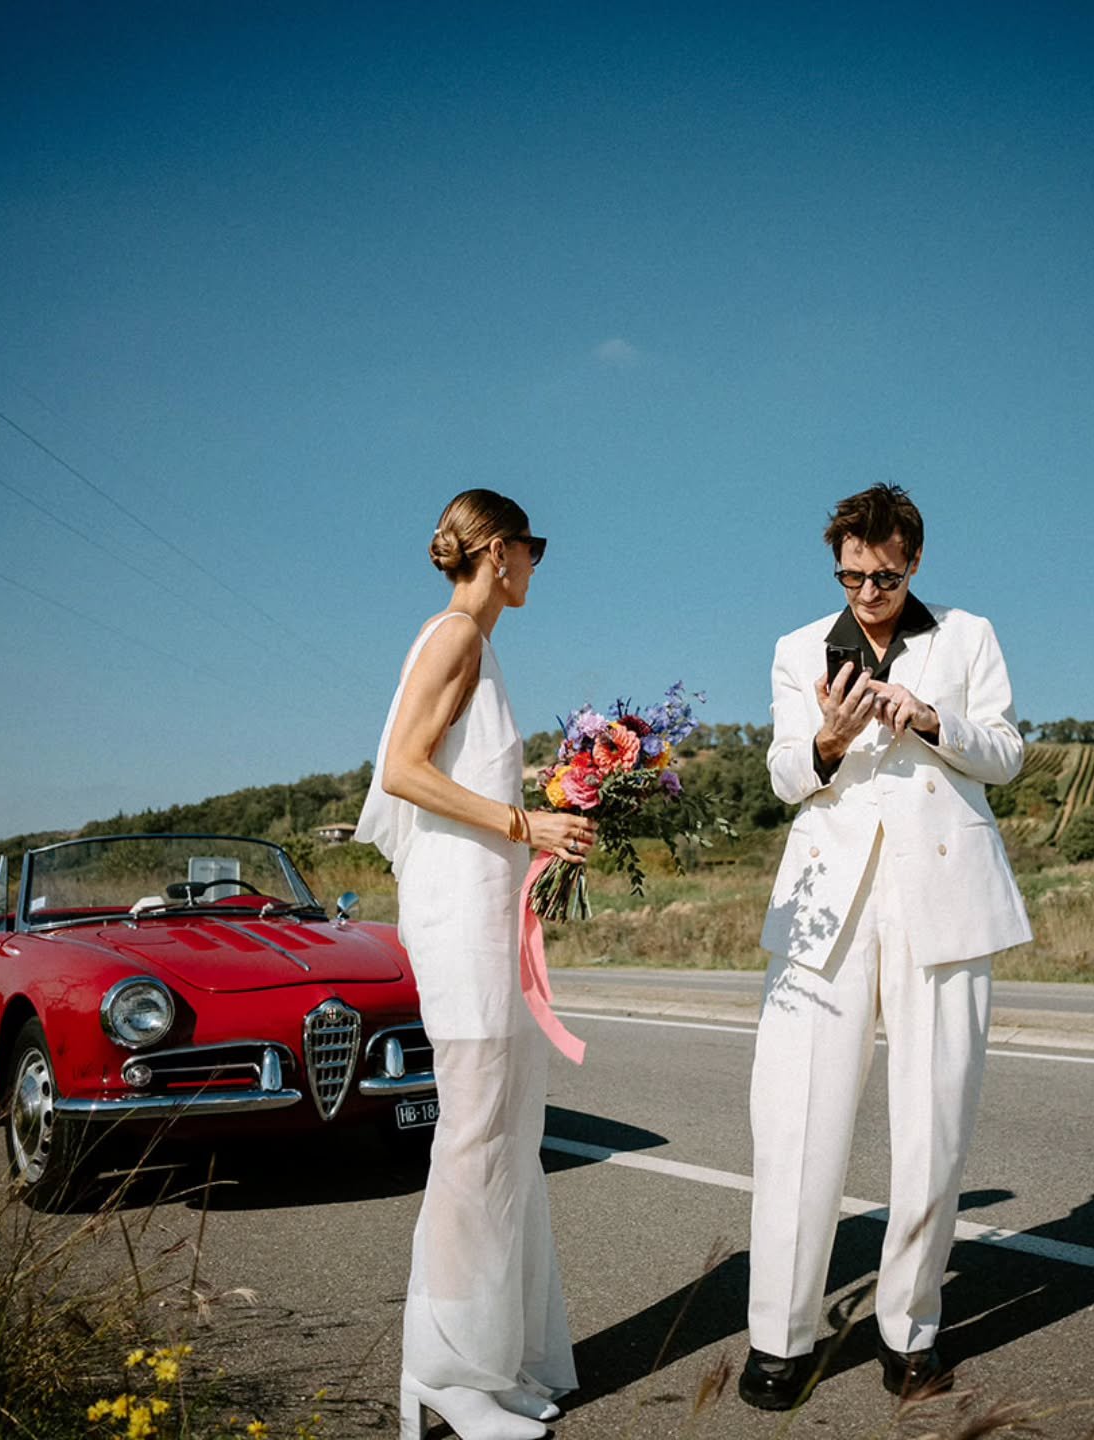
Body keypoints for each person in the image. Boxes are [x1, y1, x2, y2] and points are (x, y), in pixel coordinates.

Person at [739, 483, 1032, 1411]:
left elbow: (1008, 752)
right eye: (852, 576)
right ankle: (780, 1338)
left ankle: (911, 1332)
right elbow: (784, 775)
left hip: (943, 899)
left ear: (915, 561)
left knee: (934, 1122)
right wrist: (827, 740)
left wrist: (933, 719)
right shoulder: (797, 649)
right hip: (825, 906)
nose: (869, 593)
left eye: (887, 577)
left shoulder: (967, 637)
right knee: (795, 1120)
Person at [356, 489, 597, 1440]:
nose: (538, 564)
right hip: (458, 927)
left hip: (490, 919)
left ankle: (496, 1365)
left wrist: (548, 825)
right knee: (473, 1140)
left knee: (507, 1137)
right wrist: (524, 822)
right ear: (499, 550)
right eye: (533, 547)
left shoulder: (481, 648)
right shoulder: (454, 635)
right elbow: (402, 771)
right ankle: (444, 1375)